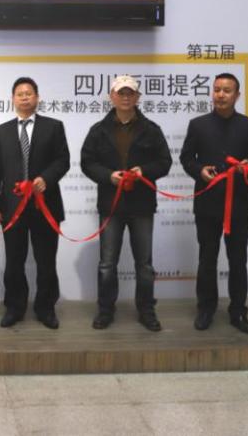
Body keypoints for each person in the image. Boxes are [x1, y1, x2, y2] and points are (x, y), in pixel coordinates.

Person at [80, 74, 172, 331]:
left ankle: (146, 310)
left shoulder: (151, 129)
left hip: (142, 206)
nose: (125, 97)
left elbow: (164, 162)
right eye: (121, 93)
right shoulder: (98, 130)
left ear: (137, 97)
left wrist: (144, 171)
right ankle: (105, 310)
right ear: (112, 96)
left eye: (130, 93)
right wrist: (109, 176)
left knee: (145, 264)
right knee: (107, 264)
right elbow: (87, 162)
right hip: (111, 205)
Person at [180, 72, 248, 334]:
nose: (220, 95)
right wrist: (200, 171)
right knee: (207, 259)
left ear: (237, 95)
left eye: (227, 90)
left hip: (239, 205)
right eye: (217, 89)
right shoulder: (198, 125)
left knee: (238, 260)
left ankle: (238, 312)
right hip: (207, 203)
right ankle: (206, 309)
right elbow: (186, 158)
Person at [0, 77, 70, 329]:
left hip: (45, 204)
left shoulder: (53, 127)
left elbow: (63, 160)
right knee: (14, 262)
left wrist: (47, 178)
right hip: (11, 208)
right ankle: (14, 307)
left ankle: (46, 308)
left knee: (46, 261)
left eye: (29, 93)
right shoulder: (1, 131)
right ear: (13, 99)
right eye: (20, 93)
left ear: (37, 97)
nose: (24, 97)